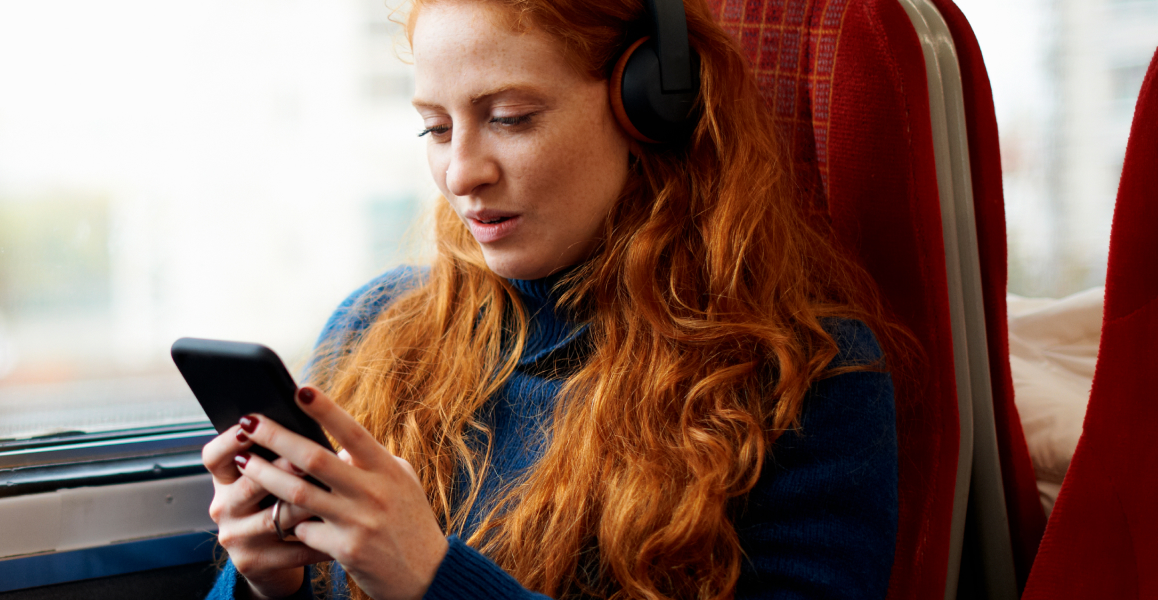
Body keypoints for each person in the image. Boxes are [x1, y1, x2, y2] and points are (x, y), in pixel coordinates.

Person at [200, 0, 903, 598]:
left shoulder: (800, 376)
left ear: (649, 104)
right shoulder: (374, 326)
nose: (461, 174)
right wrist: (264, 585)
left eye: (509, 117)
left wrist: (434, 578)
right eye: (436, 129)